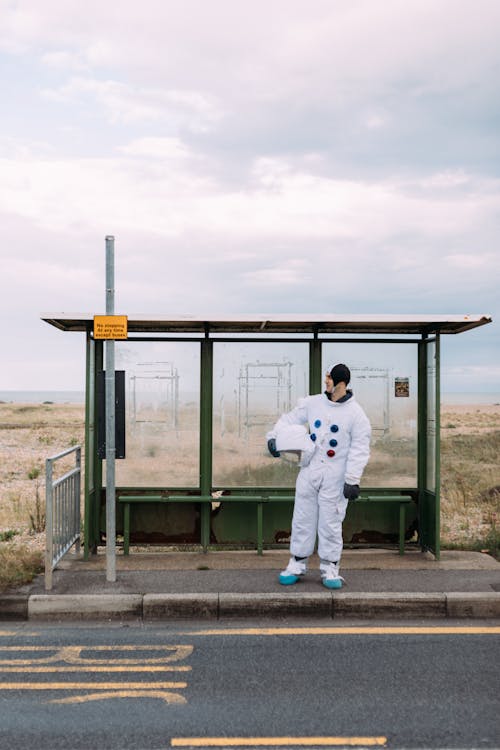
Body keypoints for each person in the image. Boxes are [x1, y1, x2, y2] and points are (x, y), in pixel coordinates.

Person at [266, 363, 371, 588]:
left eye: (329, 379)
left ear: (341, 383)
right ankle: (297, 563)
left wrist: (352, 479)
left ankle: (330, 568)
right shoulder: (313, 403)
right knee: (302, 519)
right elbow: (288, 419)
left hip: (336, 475)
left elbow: (360, 448)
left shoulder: (356, 415)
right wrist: (274, 437)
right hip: (310, 470)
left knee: (331, 522)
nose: (326, 382)